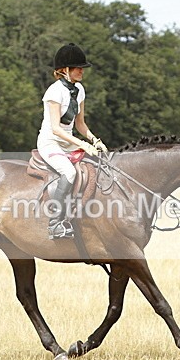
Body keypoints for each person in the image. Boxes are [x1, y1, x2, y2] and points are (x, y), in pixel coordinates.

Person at [37, 43, 108, 239]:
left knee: (100, 166)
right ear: (64, 70)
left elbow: (80, 124)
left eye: (82, 68)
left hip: (69, 142)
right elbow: (56, 128)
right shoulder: (54, 92)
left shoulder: (80, 90)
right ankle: (55, 223)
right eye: (77, 68)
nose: (81, 71)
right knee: (68, 172)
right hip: (50, 142)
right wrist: (82, 144)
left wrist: (95, 140)